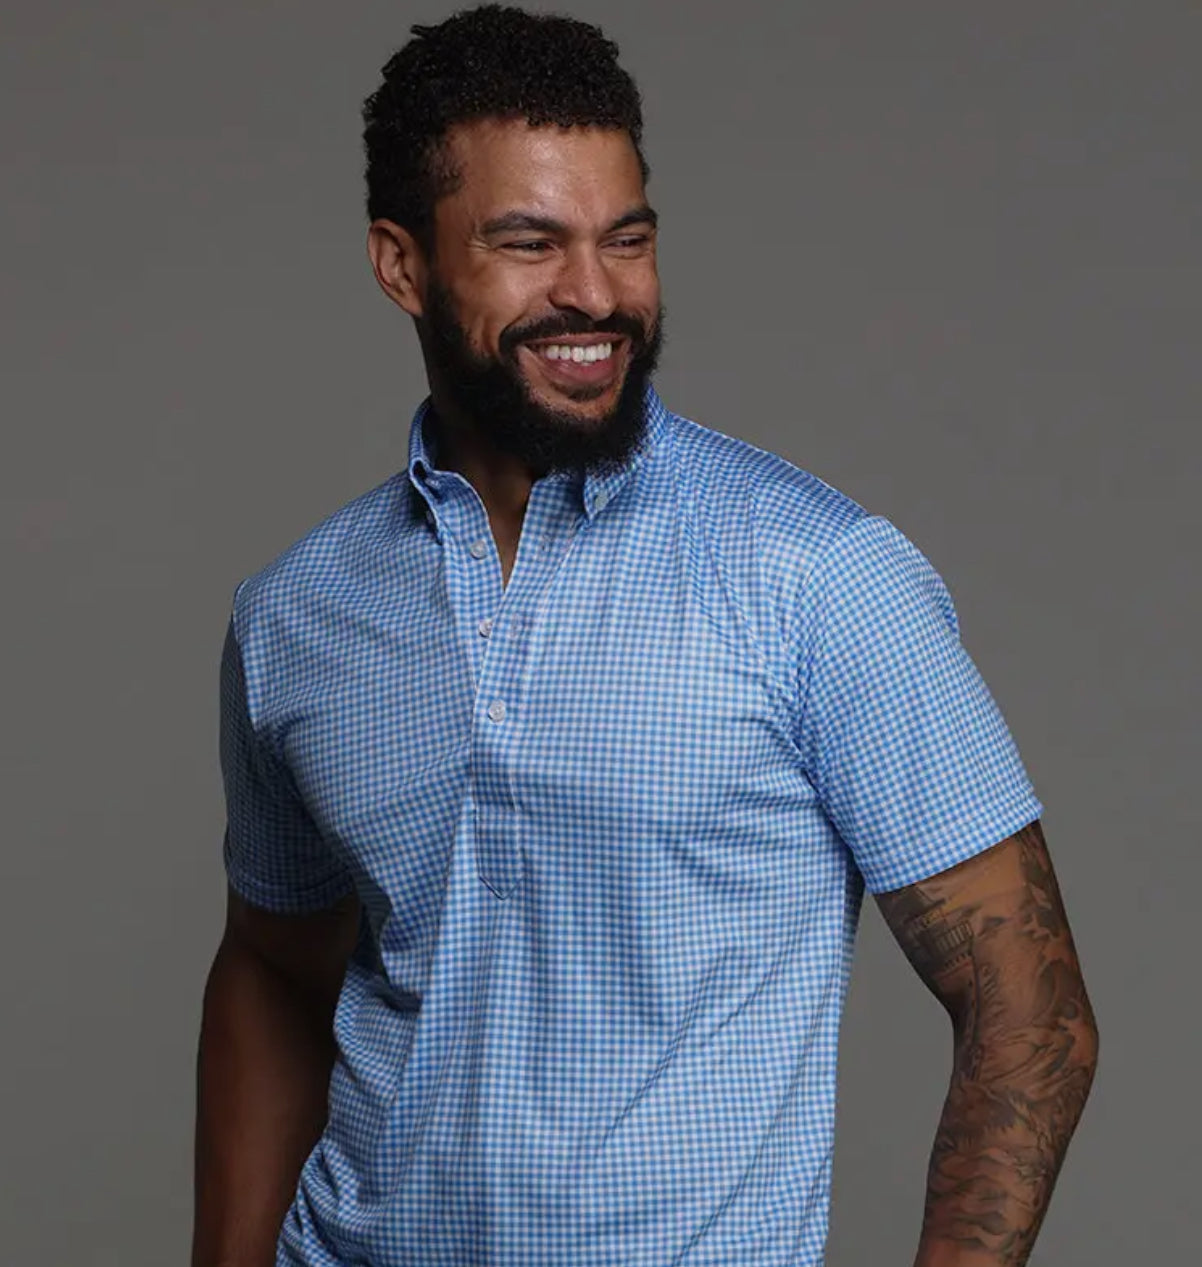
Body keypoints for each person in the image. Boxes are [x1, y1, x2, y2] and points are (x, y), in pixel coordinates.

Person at [192, 7, 1098, 1266]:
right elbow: (274, 972)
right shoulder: (297, 614)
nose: (596, 293)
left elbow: (1030, 1010)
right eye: (530, 242)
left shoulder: (816, 576)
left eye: (626, 238)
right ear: (402, 265)